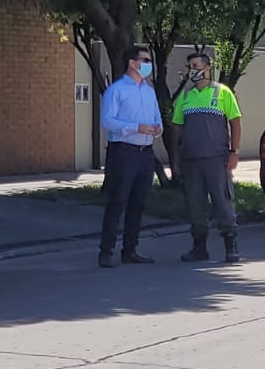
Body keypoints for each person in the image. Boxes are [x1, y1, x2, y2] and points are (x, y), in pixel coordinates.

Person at [170, 51, 243, 263]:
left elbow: (235, 122)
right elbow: (176, 127)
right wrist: (175, 158)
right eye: (189, 67)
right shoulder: (186, 96)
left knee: (222, 201)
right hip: (191, 161)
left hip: (217, 159)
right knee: (195, 205)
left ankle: (231, 245)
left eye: (195, 66)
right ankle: (199, 248)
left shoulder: (222, 93)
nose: (191, 70)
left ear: (207, 68)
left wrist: (234, 152)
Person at [98, 45, 162, 268]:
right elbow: (107, 121)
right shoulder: (116, 90)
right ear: (132, 63)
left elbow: (156, 117)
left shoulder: (149, 91)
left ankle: (130, 250)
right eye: (144, 60)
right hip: (124, 152)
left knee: (138, 203)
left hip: (146, 153)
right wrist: (136, 127)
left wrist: (157, 128)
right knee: (117, 201)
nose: (148, 65)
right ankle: (106, 251)